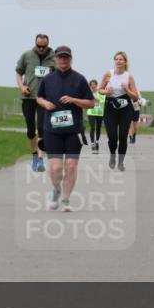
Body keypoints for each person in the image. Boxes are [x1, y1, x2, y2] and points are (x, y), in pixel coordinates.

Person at [37, 46, 94, 212]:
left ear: (71, 59)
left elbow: (91, 102)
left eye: (66, 58)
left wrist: (75, 100)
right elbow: (39, 97)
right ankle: (56, 190)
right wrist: (45, 103)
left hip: (73, 130)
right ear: (55, 59)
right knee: (55, 168)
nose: (63, 60)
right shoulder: (47, 79)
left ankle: (66, 200)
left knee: (70, 166)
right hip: (52, 130)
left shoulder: (79, 79)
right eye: (60, 57)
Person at [15, 33, 56, 172]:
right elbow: (18, 73)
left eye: (44, 46)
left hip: (44, 99)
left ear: (48, 45)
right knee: (31, 130)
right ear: (35, 44)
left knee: (42, 128)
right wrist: (22, 87)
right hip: (28, 97)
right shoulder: (27, 55)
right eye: (39, 46)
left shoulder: (54, 58)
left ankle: (40, 159)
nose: (41, 49)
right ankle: (34, 154)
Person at [98, 51, 139, 171]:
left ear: (125, 62)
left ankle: (121, 162)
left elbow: (135, 97)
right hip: (110, 107)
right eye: (116, 59)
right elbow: (100, 89)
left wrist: (127, 90)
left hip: (125, 108)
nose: (118, 61)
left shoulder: (129, 76)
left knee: (122, 136)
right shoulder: (108, 74)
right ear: (114, 61)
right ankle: (112, 155)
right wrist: (106, 92)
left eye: (121, 59)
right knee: (112, 136)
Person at [86, 79, 105, 154]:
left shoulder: (100, 92)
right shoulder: (88, 93)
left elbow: (100, 100)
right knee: (92, 127)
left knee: (98, 128)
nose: (93, 87)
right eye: (91, 85)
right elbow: (86, 101)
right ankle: (92, 143)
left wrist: (93, 96)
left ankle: (97, 141)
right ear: (90, 86)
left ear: (96, 85)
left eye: (94, 85)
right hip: (91, 112)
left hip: (99, 112)